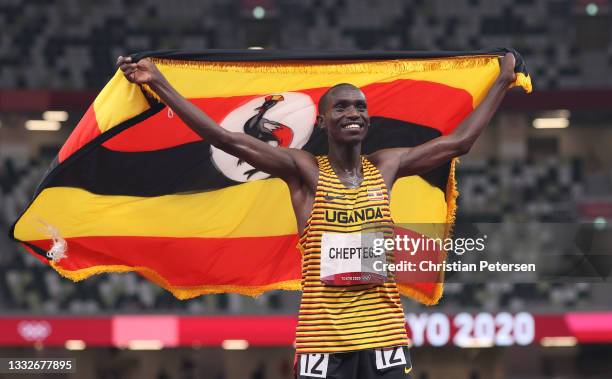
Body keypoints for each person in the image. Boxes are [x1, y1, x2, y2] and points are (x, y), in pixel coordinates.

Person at [117, 52, 517, 379]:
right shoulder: (304, 171)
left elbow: (460, 143)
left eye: (360, 107)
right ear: (323, 121)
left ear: (368, 120)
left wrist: (502, 80)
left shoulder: (387, 166)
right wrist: (159, 83)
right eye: (341, 107)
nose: (352, 113)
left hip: (383, 337)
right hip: (322, 341)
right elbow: (225, 138)